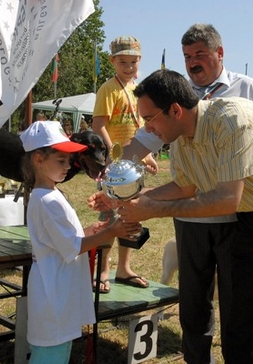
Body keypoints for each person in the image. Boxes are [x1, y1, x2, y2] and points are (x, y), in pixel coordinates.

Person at [90, 69, 253, 363]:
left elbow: (227, 199)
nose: (147, 129)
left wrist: (154, 209)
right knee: (241, 315)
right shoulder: (181, 138)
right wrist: (130, 200)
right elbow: (184, 186)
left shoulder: (232, 118)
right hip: (251, 216)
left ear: (175, 110)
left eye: (149, 119)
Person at [119, 23, 253, 363]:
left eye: (200, 54)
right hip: (189, 215)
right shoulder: (174, 96)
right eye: (187, 56)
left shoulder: (250, 89)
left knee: (237, 304)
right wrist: (115, 179)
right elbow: (141, 142)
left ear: (220, 53)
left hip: (239, 217)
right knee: (194, 300)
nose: (192, 63)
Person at [20, 121, 141, 364]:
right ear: (38, 159)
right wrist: (111, 232)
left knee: (56, 351)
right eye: (61, 161)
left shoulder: (44, 195)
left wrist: (88, 231)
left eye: (69, 160)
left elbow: (58, 239)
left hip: (54, 289)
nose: (68, 167)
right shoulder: (48, 200)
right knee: (52, 354)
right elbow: (73, 247)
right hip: (55, 293)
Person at [91, 35, 157, 293]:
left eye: (133, 61)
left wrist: (148, 155)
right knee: (108, 216)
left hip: (134, 164)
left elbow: (140, 126)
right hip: (114, 164)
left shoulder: (136, 89)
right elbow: (99, 125)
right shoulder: (109, 88)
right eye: (123, 62)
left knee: (132, 215)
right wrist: (115, 155)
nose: (129, 67)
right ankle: (104, 269)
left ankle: (124, 267)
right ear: (112, 61)